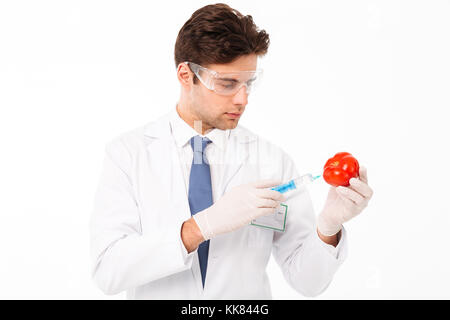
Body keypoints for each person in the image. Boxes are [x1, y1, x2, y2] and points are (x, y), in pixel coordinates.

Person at [89, 3, 374, 299]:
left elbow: (308, 282)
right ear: (186, 75)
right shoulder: (129, 154)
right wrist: (198, 228)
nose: (243, 99)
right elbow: (108, 271)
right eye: (227, 84)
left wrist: (328, 227)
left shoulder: (271, 162)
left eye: (248, 83)